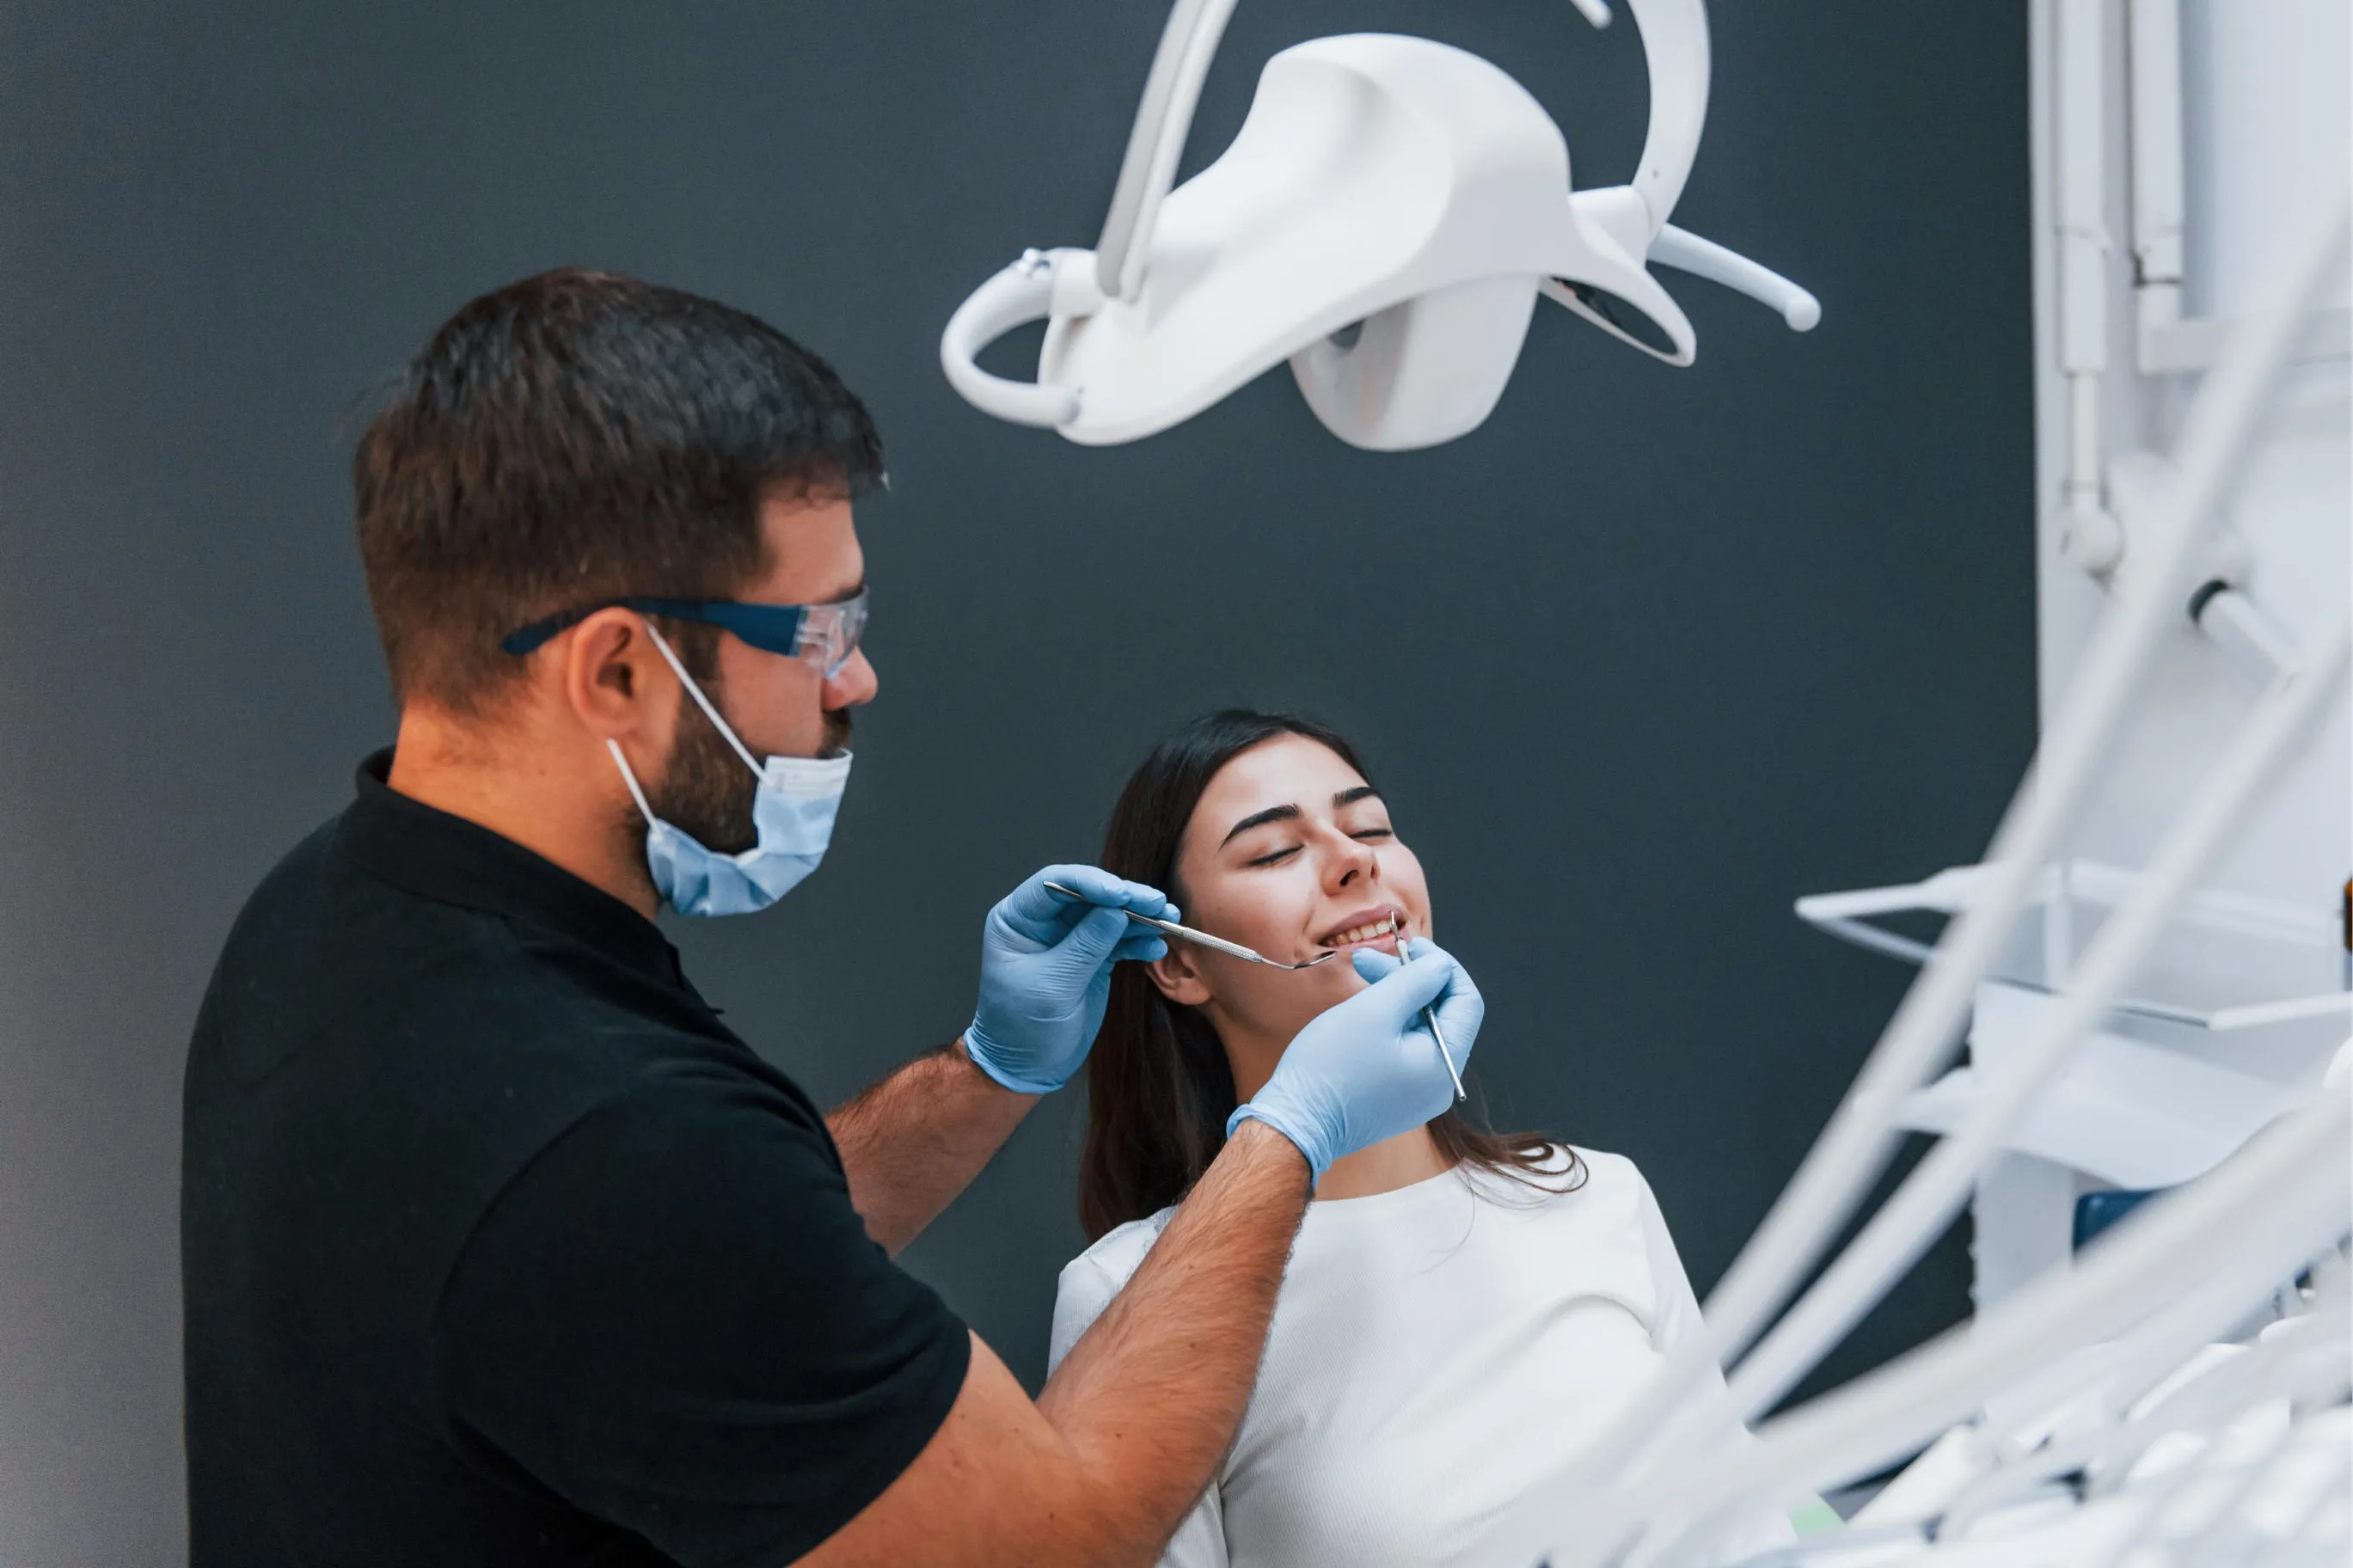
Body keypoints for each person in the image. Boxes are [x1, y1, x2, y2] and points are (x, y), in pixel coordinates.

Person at [179, 271, 1482, 1567]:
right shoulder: (598, 1131)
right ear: (620, 670)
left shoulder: (337, 912)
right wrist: (1289, 1133)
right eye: (821, 626)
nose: (856, 675)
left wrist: (991, 1070)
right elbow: (1057, 1535)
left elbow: (707, 1273)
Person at [1049, 710, 1800, 1567]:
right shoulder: (1124, 1291)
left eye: (1370, 827)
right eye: (1273, 852)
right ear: (1181, 963)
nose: (1355, 858)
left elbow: (1752, 1533)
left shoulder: (1597, 1194)